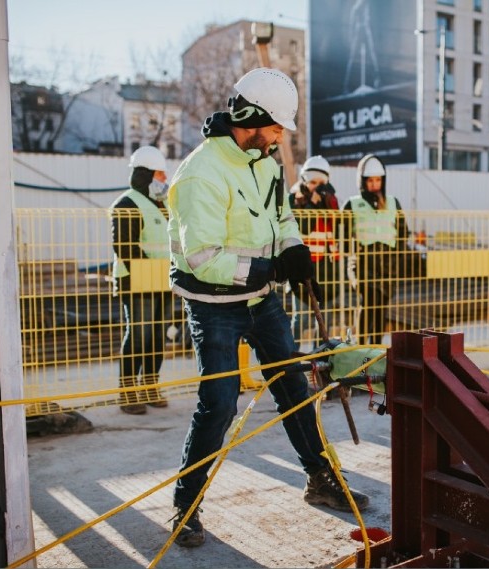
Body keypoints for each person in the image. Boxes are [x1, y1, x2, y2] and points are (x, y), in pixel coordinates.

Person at [166, 67, 369, 548]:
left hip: (263, 302)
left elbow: (281, 219)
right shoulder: (200, 174)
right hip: (214, 305)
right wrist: (270, 270)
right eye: (277, 127)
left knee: (295, 387)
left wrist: (294, 252)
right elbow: (203, 259)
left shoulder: (267, 163)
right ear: (252, 119)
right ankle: (185, 506)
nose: (281, 136)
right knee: (218, 404)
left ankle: (320, 479)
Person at [109, 145, 171, 414]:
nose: (164, 180)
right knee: (138, 334)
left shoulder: (163, 205)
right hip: (136, 280)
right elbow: (124, 247)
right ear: (145, 174)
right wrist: (147, 273)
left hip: (162, 280)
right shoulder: (126, 203)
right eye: (159, 174)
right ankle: (127, 391)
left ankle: (149, 385)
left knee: (157, 335)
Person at [342, 154, 412, 346]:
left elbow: (403, 232)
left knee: (381, 307)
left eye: (378, 180)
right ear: (362, 181)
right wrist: (350, 256)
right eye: (370, 180)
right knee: (368, 303)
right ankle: (362, 345)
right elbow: (342, 234)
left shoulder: (393, 202)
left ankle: (376, 346)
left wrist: (398, 257)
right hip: (363, 262)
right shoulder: (352, 203)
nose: (374, 184)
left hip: (388, 264)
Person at [288, 155, 340, 342]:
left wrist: (326, 204)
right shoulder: (294, 200)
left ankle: (321, 364)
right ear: (304, 180)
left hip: (327, 271)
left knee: (325, 322)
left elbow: (337, 229)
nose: (316, 186)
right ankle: (291, 361)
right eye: (312, 182)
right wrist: (313, 205)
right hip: (302, 269)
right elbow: (303, 227)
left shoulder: (330, 202)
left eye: (321, 182)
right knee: (301, 320)